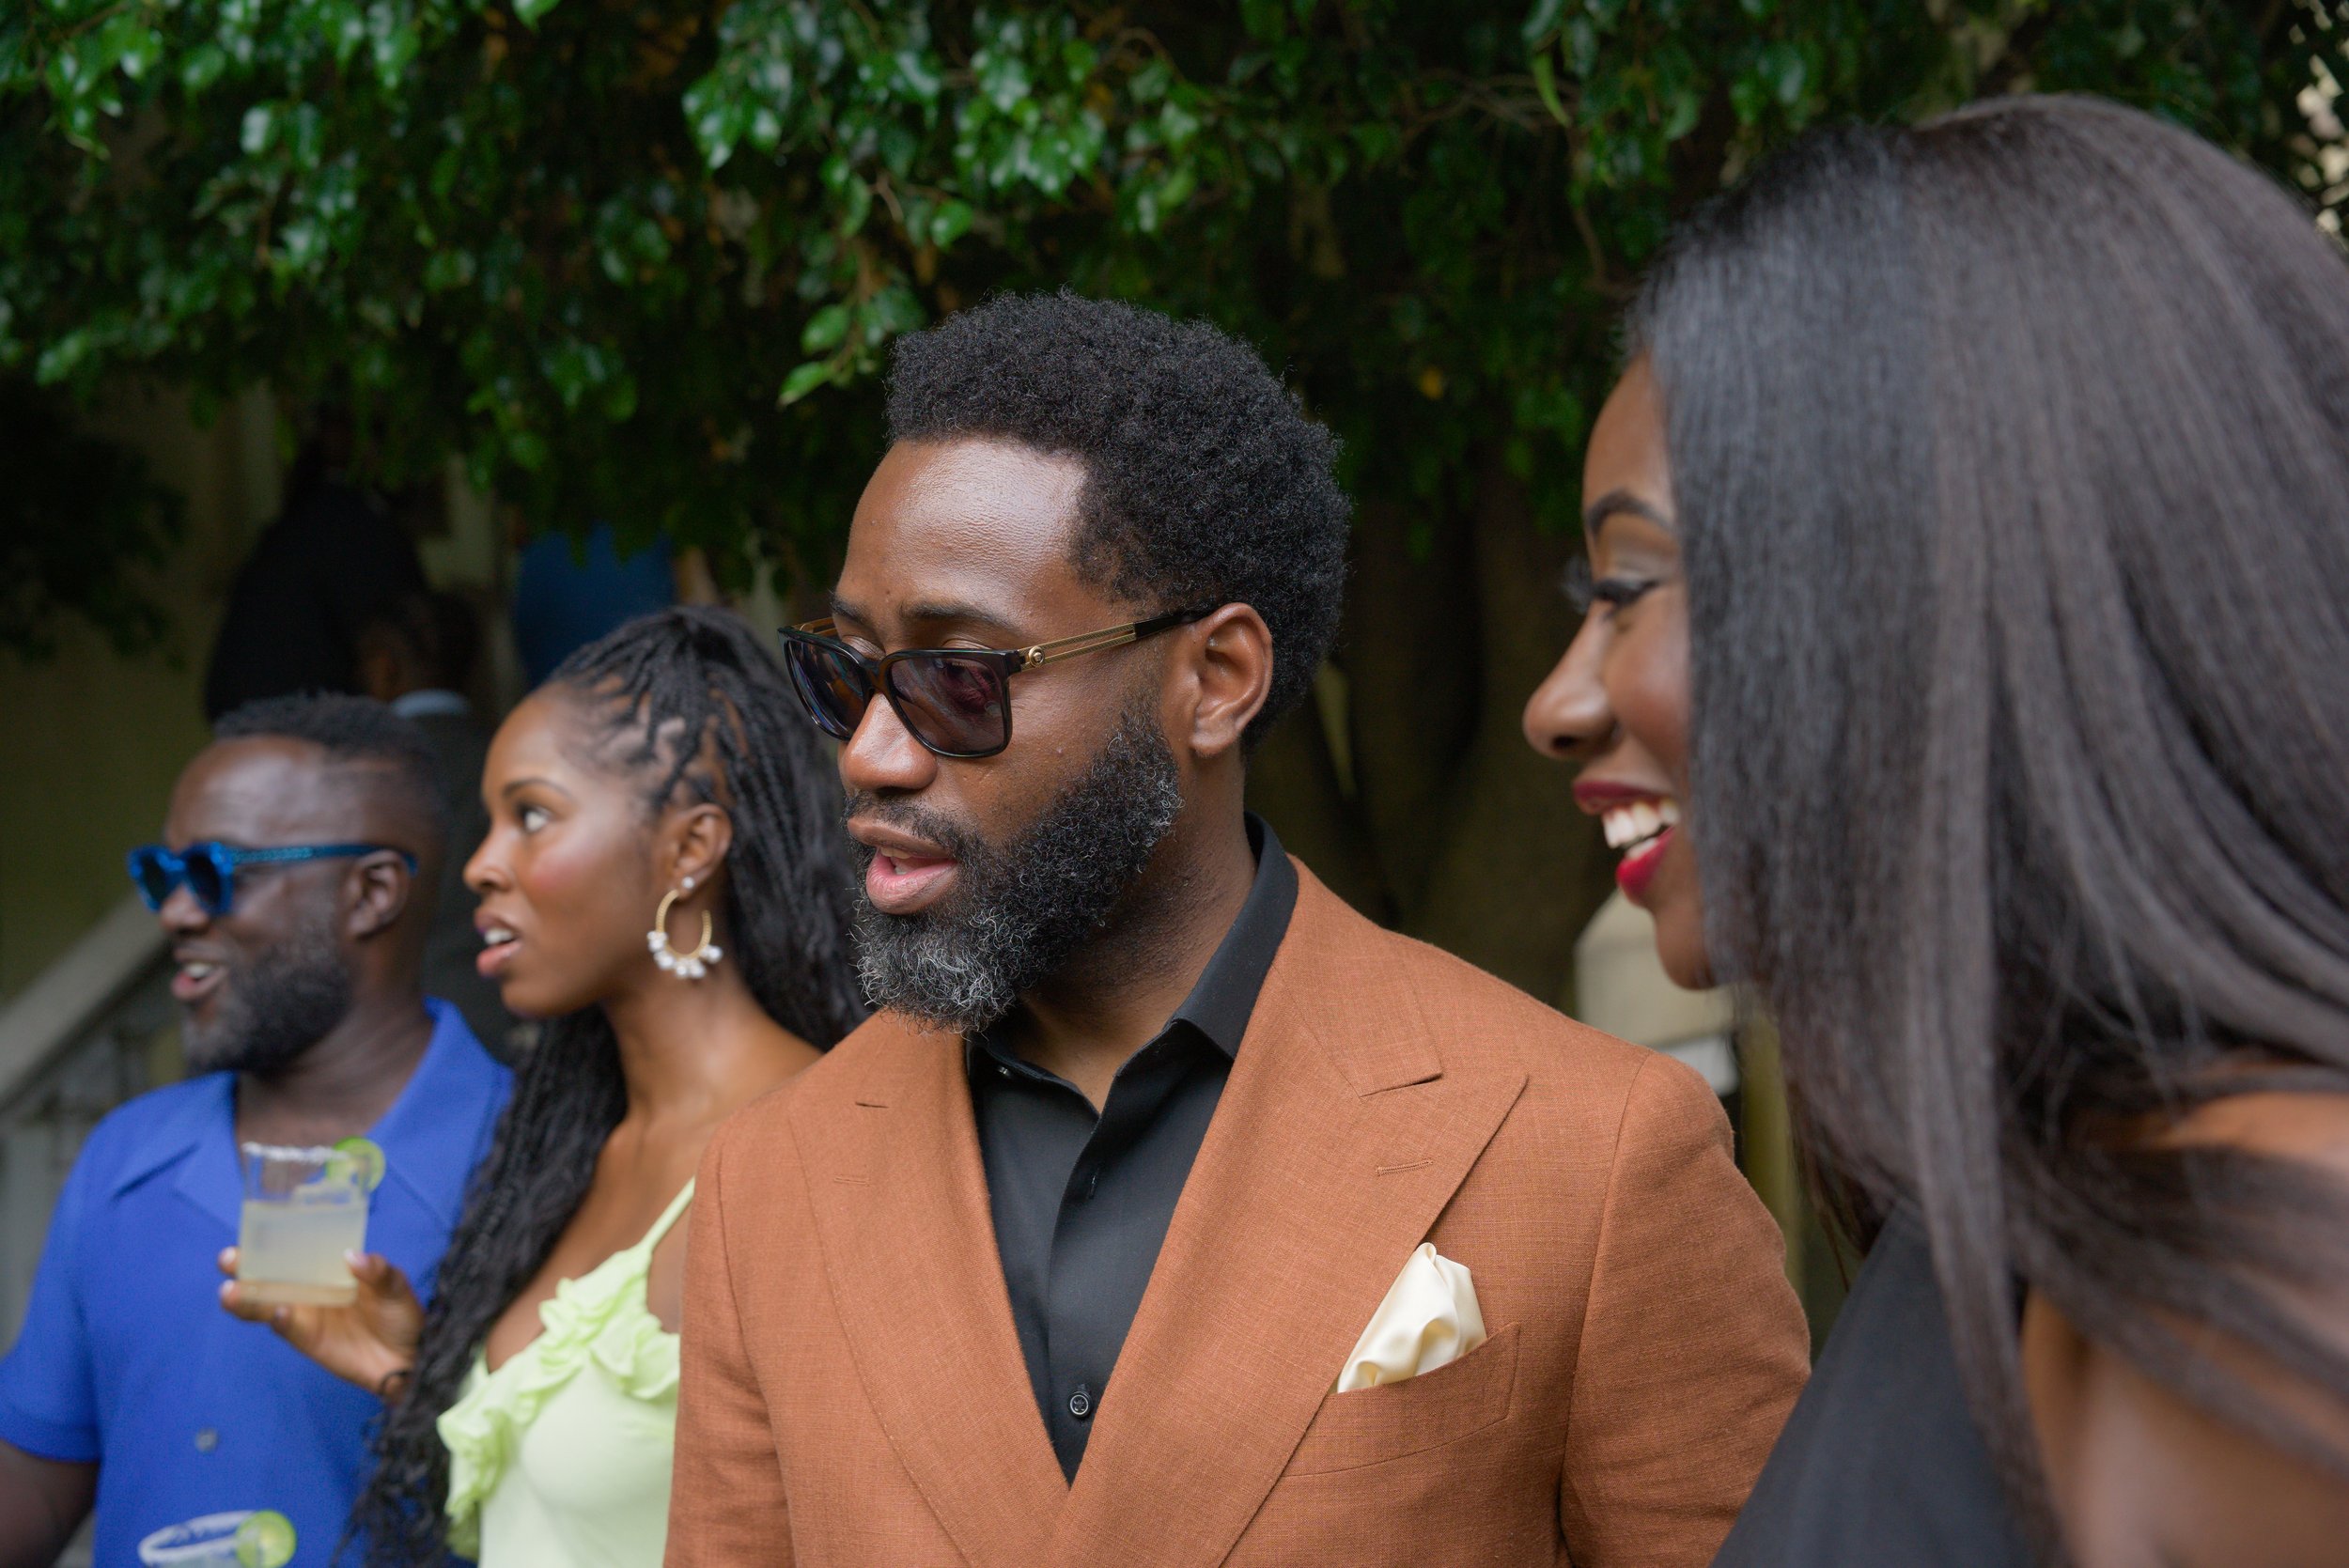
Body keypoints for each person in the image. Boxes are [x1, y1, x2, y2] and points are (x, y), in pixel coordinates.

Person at [664, 292, 1810, 1568]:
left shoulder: (1596, 1149)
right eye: (846, 674)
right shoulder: (769, 1183)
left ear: (1215, 680)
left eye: (959, 679)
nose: (871, 753)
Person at [1527, 96, 2349, 1567]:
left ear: (1935, 585)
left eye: (1629, 586)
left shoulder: (2270, 1291)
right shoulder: (2027, 1191)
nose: (1557, 704)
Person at [225, 606, 866, 1566]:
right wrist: (416, 1372)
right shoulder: (591, 1148)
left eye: (531, 815)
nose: (481, 865)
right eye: (489, 822)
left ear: (690, 848)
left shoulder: (813, 1147)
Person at [0, 695, 510, 1566]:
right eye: (162, 873)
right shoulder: (123, 1155)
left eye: (213, 870)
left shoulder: (540, 1158)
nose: (176, 912)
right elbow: (37, 1475)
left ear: (371, 892)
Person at [357, 590, 517, 1054]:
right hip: (504, 1010)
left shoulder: (358, 777)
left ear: (384, 665)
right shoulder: (507, 756)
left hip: (397, 1030)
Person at [203, 416, 428, 722]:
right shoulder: (349, 520)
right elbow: (402, 632)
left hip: (257, 716)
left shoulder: (305, 517)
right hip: (311, 722)